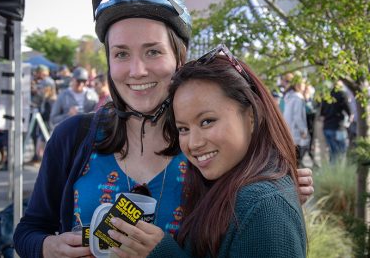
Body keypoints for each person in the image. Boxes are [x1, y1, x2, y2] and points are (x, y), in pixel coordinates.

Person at [13, 0, 313, 258]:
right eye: (121, 54)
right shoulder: (73, 136)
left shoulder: (208, 148)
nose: (137, 70)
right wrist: (46, 246)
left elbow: (255, 215)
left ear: (179, 59)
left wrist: (275, 189)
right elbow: (28, 229)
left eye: (153, 51)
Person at [106, 45, 307, 258]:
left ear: (251, 116)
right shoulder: (233, 188)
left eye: (207, 121)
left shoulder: (265, 209)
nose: (193, 143)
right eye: (183, 129)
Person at [320, 80, 352, 164]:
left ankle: (332, 173)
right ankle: (338, 173)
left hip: (327, 127)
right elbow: (349, 112)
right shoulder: (342, 94)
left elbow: (321, 114)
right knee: (341, 153)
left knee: (333, 153)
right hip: (338, 128)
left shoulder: (327, 95)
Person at [283, 72, 310, 167]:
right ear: (299, 85)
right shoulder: (298, 98)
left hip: (289, 130)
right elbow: (298, 117)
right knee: (296, 162)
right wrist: (303, 130)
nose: (305, 86)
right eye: (303, 84)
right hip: (296, 132)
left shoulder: (289, 96)